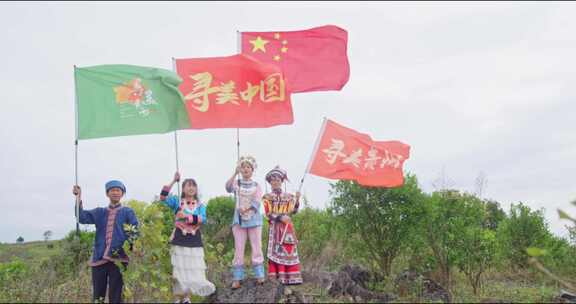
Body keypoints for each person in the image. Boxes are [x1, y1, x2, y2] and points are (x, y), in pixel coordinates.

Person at [72, 180, 139, 303]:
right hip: (99, 258)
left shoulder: (128, 212)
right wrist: (78, 197)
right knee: (98, 296)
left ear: (122, 194)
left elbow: (134, 230)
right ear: (107, 193)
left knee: (116, 296)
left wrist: (133, 245)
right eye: (112, 190)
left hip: (119, 259)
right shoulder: (99, 212)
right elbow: (81, 217)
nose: (115, 193)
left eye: (118, 190)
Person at [158, 172, 216, 303]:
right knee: (179, 267)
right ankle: (178, 297)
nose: (191, 188)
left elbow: (203, 219)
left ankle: (187, 297)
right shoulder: (177, 202)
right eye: (188, 185)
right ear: (183, 188)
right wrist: (174, 180)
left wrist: (187, 217)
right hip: (180, 237)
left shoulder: (200, 205)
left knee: (192, 266)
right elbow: (162, 197)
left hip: (194, 239)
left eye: (193, 186)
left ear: (196, 189)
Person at [225, 155, 265, 289]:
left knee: (256, 246)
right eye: (243, 167)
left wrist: (246, 209)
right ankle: (237, 277)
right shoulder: (237, 183)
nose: (246, 169)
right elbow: (228, 187)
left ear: (252, 170)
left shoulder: (257, 186)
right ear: (240, 169)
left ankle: (259, 275)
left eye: (248, 167)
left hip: (254, 219)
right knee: (239, 248)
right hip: (239, 220)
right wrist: (234, 173)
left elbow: (257, 202)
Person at [262, 166, 303, 285]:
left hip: (287, 228)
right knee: (277, 252)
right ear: (270, 182)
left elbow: (293, 212)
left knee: (288, 251)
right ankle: (278, 277)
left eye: (278, 180)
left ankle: (291, 277)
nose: (275, 182)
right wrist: (280, 217)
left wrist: (298, 200)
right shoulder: (267, 197)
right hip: (275, 228)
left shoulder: (289, 197)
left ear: (282, 181)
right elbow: (268, 213)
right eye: (273, 180)